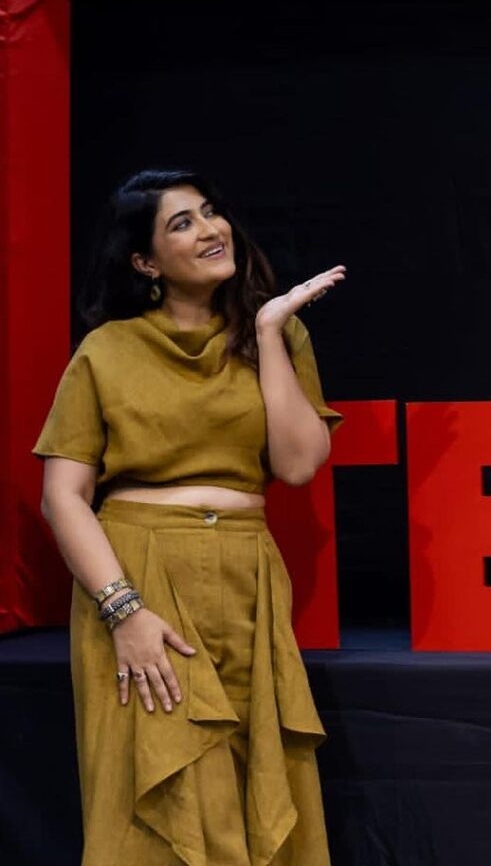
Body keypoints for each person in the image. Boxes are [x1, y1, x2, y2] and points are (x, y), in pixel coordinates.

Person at [33, 169, 345, 865]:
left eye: (211, 213)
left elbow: (297, 465)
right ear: (145, 262)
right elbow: (63, 497)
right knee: (156, 798)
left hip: (247, 579)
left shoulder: (277, 337)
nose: (210, 230)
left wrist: (267, 332)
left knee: (256, 782)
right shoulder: (107, 351)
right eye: (182, 223)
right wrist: (125, 611)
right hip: (139, 576)